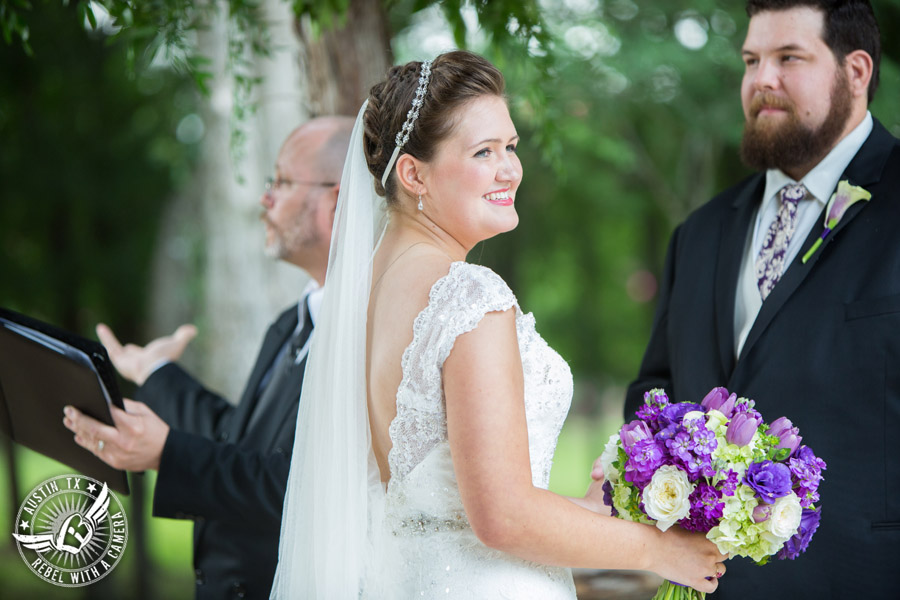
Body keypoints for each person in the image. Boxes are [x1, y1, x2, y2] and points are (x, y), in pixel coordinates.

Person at [270, 50, 725, 599]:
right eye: (484, 151)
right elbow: (502, 518)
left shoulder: (360, 298)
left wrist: (601, 510)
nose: (510, 168)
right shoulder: (468, 294)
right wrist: (658, 551)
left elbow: (443, 503)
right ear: (413, 173)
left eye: (510, 146)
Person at [625, 1, 898, 597]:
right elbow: (656, 393)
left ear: (856, 72)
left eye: (788, 58)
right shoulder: (698, 234)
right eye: (752, 60)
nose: (761, 79)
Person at [62, 116, 354, 599]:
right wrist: (155, 374)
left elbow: (304, 488)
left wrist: (168, 454)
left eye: (280, 181)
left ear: (338, 201)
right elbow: (241, 439)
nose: (265, 199)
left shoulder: (368, 336)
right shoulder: (291, 321)